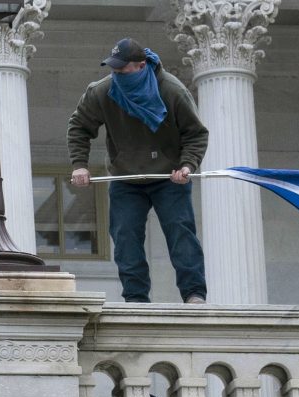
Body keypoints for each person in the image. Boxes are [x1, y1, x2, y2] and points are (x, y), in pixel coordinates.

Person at [67, 38, 209, 304]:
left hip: (169, 178)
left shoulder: (171, 90)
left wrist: (187, 165)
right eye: (113, 70)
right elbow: (79, 127)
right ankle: (135, 298)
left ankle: (194, 294)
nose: (116, 75)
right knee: (124, 236)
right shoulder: (103, 91)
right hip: (127, 178)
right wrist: (80, 165)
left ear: (141, 66)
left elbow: (196, 134)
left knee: (180, 232)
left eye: (122, 70)